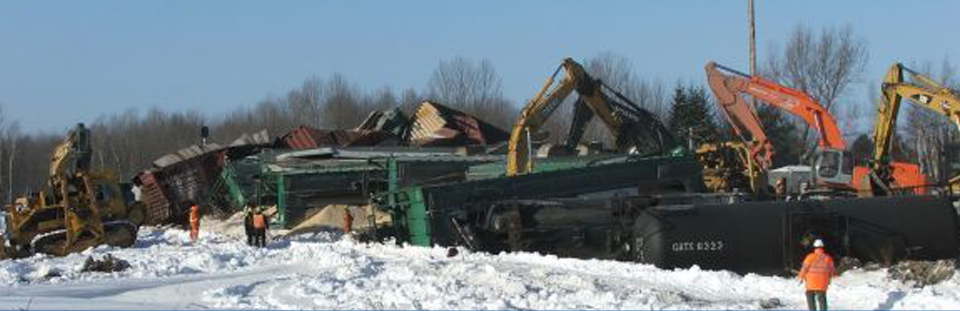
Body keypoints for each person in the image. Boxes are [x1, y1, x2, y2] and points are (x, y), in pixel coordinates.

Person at [798, 239, 836, 310]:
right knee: (822, 298)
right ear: (822, 247)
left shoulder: (810, 257)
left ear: (814, 247)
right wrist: (830, 279)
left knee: (809, 295)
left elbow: (804, 268)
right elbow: (832, 270)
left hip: (811, 283)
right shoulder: (828, 258)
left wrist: (801, 277)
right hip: (822, 283)